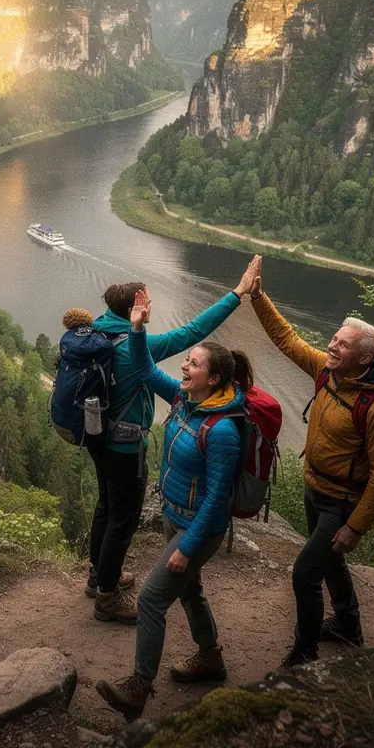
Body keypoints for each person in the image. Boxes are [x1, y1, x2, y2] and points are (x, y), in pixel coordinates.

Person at [95, 287, 252, 720]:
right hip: (175, 516)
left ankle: (139, 688)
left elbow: (218, 501)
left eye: (193, 363)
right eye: (187, 361)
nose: (184, 365)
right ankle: (210, 657)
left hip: (196, 529)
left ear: (215, 379)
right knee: (191, 591)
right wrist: (138, 327)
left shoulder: (221, 431)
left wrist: (186, 546)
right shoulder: (186, 400)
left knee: (149, 600)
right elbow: (144, 367)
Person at [86, 256, 262, 624]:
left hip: (97, 437)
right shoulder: (137, 346)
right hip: (124, 446)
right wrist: (237, 294)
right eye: (147, 301)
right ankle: (106, 596)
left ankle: (99, 575)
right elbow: (194, 331)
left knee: (106, 508)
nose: (151, 306)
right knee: (123, 520)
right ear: (135, 307)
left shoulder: (96, 333)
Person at [249, 268, 374, 667]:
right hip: (316, 490)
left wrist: (355, 526)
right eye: (333, 338)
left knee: (305, 573)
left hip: (344, 504)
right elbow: (287, 340)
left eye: (343, 344)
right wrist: (259, 297)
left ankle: (305, 651)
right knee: (330, 562)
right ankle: (349, 625)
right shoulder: (327, 372)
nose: (332, 346)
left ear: (365, 358)